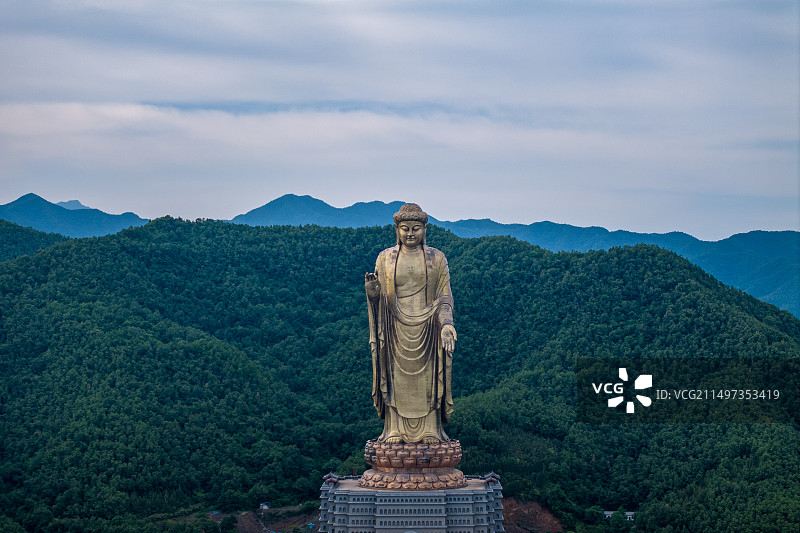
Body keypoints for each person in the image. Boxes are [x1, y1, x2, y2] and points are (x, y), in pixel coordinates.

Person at [365, 203, 457, 444]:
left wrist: (447, 324)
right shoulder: (385, 258)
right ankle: (394, 430)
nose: (410, 234)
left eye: (416, 228)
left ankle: (430, 430)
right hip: (394, 327)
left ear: (425, 229)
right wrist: (373, 293)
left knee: (428, 383)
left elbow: (445, 298)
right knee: (395, 381)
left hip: (429, 328)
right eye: (405, 228)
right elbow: (379, 299)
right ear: (397, 229)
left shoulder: (437, 259)